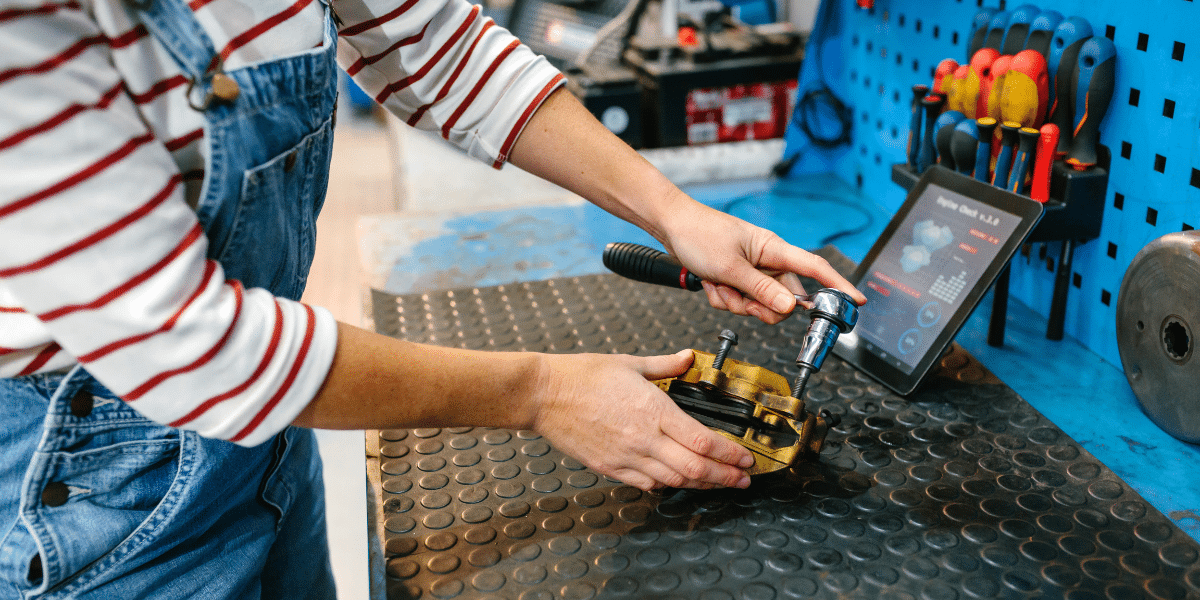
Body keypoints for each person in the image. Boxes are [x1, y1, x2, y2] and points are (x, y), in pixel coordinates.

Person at [0, 0, 865, 596]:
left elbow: (433, 45)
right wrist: (544, 391)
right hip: (89, 486)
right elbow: (188, 345)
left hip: (268, 423)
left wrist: (675, 213)